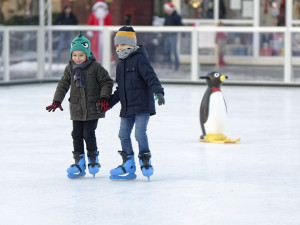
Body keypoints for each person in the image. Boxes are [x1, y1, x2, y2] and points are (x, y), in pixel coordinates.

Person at [46, 31, 113, 179]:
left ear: (87, 54)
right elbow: (63, 84)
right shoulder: (70, 68)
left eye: (81, 55)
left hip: (92, 107)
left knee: (88, 133)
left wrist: (104, 97)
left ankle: (93, 159)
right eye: (74, 55)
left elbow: (107, 82)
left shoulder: (95, 67)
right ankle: (79, 161)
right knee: (76, 134)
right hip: (76, 107)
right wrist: (57, 100)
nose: (77, 58)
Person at [108, 26, 165, 181]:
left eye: (122, 45)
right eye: (117, 45)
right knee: (123, 135)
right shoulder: (120, 65)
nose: (119, 48)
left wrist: (158, 91)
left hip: (142, 106)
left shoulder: (140, 59)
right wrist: (108, 104)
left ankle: (145, 159)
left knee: (140, 134)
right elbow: (119, 90)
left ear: (131, 44)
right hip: (127, 107)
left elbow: (150, 76)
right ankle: (128, 164)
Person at [163, 2, 183, 71]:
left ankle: (176, 65)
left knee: (174, 51)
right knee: (167, 50)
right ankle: (170, 64)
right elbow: (165, 24)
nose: (165, 10)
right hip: (167, 35)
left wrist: (183, 35)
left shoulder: (176, 16)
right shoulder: (167, 16)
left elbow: (181, 25)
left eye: (166, 9)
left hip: (173, 35)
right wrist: (162, 33)